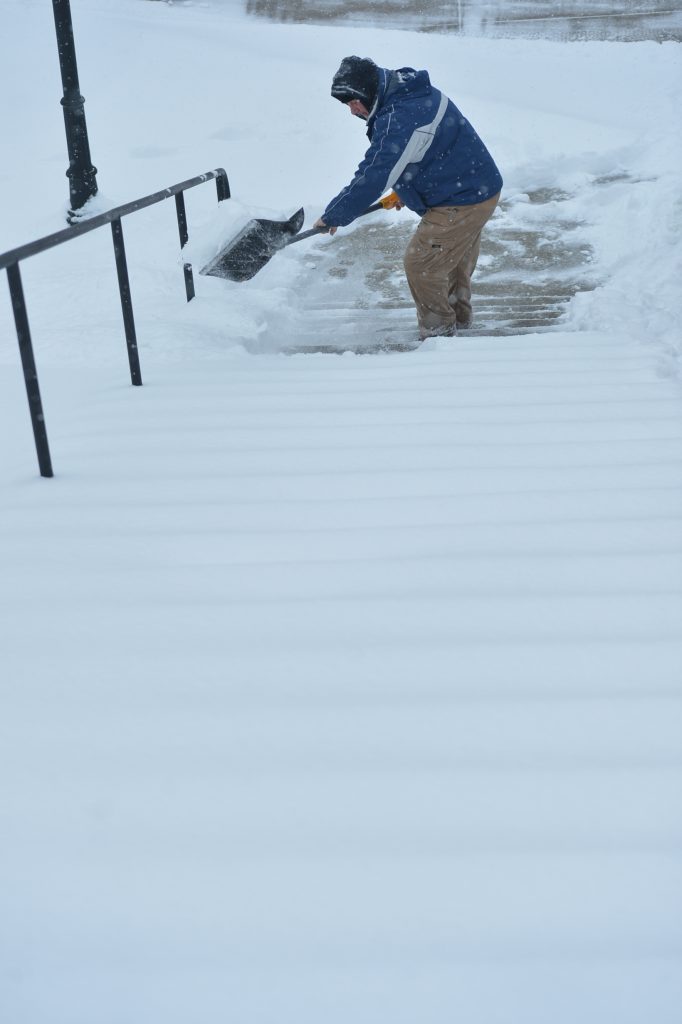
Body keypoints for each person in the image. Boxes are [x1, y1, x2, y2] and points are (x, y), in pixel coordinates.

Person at [314, 56, 503, 339]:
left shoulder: (400, 116)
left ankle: (439, 336)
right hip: (475, 187)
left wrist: (334, 215)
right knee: (450, 265)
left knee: (423, 265)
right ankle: (460, 326)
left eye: (353, 101)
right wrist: (405, 188)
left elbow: (376, 174)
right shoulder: (405, 91)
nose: (352, 110)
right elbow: (423, 149)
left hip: (462, 199)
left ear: (368, 91)